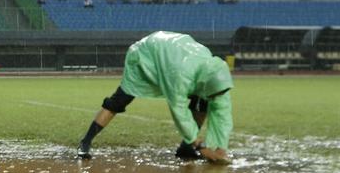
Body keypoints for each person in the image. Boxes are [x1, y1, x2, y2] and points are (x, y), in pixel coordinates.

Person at [76, 31, 232, 163]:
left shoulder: (214, 72)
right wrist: (200, 146)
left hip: (170, 58)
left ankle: (185, 148)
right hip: (145, 56)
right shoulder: (181, 74)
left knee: (203, 101)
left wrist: (220, 148)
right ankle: (85, 142)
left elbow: (222, 110)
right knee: (119, 100)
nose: (218, 97)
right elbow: (178, 109)